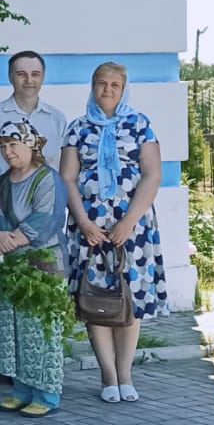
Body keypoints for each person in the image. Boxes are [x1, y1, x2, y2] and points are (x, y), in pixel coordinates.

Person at [60, 62, 168, 404]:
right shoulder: (77, 128)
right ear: (93, 87)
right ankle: (107, 376)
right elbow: (67, 178)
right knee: (96, 300)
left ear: (123, 89)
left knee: (127, 298)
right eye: (101, 83)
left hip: (132, 228)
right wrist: (84, 222)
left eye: (114, 84)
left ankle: (125, 375)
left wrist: (128, 222)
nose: (107, 90)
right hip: (90, 229)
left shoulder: (140, 124)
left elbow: (152, 175)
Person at [0, 119, 68, 416]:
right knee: (12, 331)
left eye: (13, 144)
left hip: (41, 268)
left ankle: (46, 393)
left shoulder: (47, 179)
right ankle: (21, 389)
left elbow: (42, 221)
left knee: (39, 331)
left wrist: (0, 245)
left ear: (31, 145)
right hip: (8, 268)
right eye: (3, 146)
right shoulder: (0, 183)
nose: (7, 151)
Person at [0, 50, 69, 177]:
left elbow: (64, 168)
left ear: (43, 77)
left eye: (35, 74)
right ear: (10, 77)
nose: (29, 80)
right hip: (2, 190)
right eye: (21, 74)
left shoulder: (57, 119)